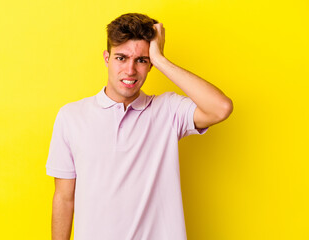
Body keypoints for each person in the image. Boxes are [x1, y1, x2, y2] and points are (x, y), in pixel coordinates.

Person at [46, 13, 233, 240]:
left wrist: (161, 59)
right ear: (107, 58)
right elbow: (64, 198)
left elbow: (221, 108)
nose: (130, 70)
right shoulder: (72, 117)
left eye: (141, 60)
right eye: (121, 58)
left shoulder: (168, 110)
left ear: (151, 64)